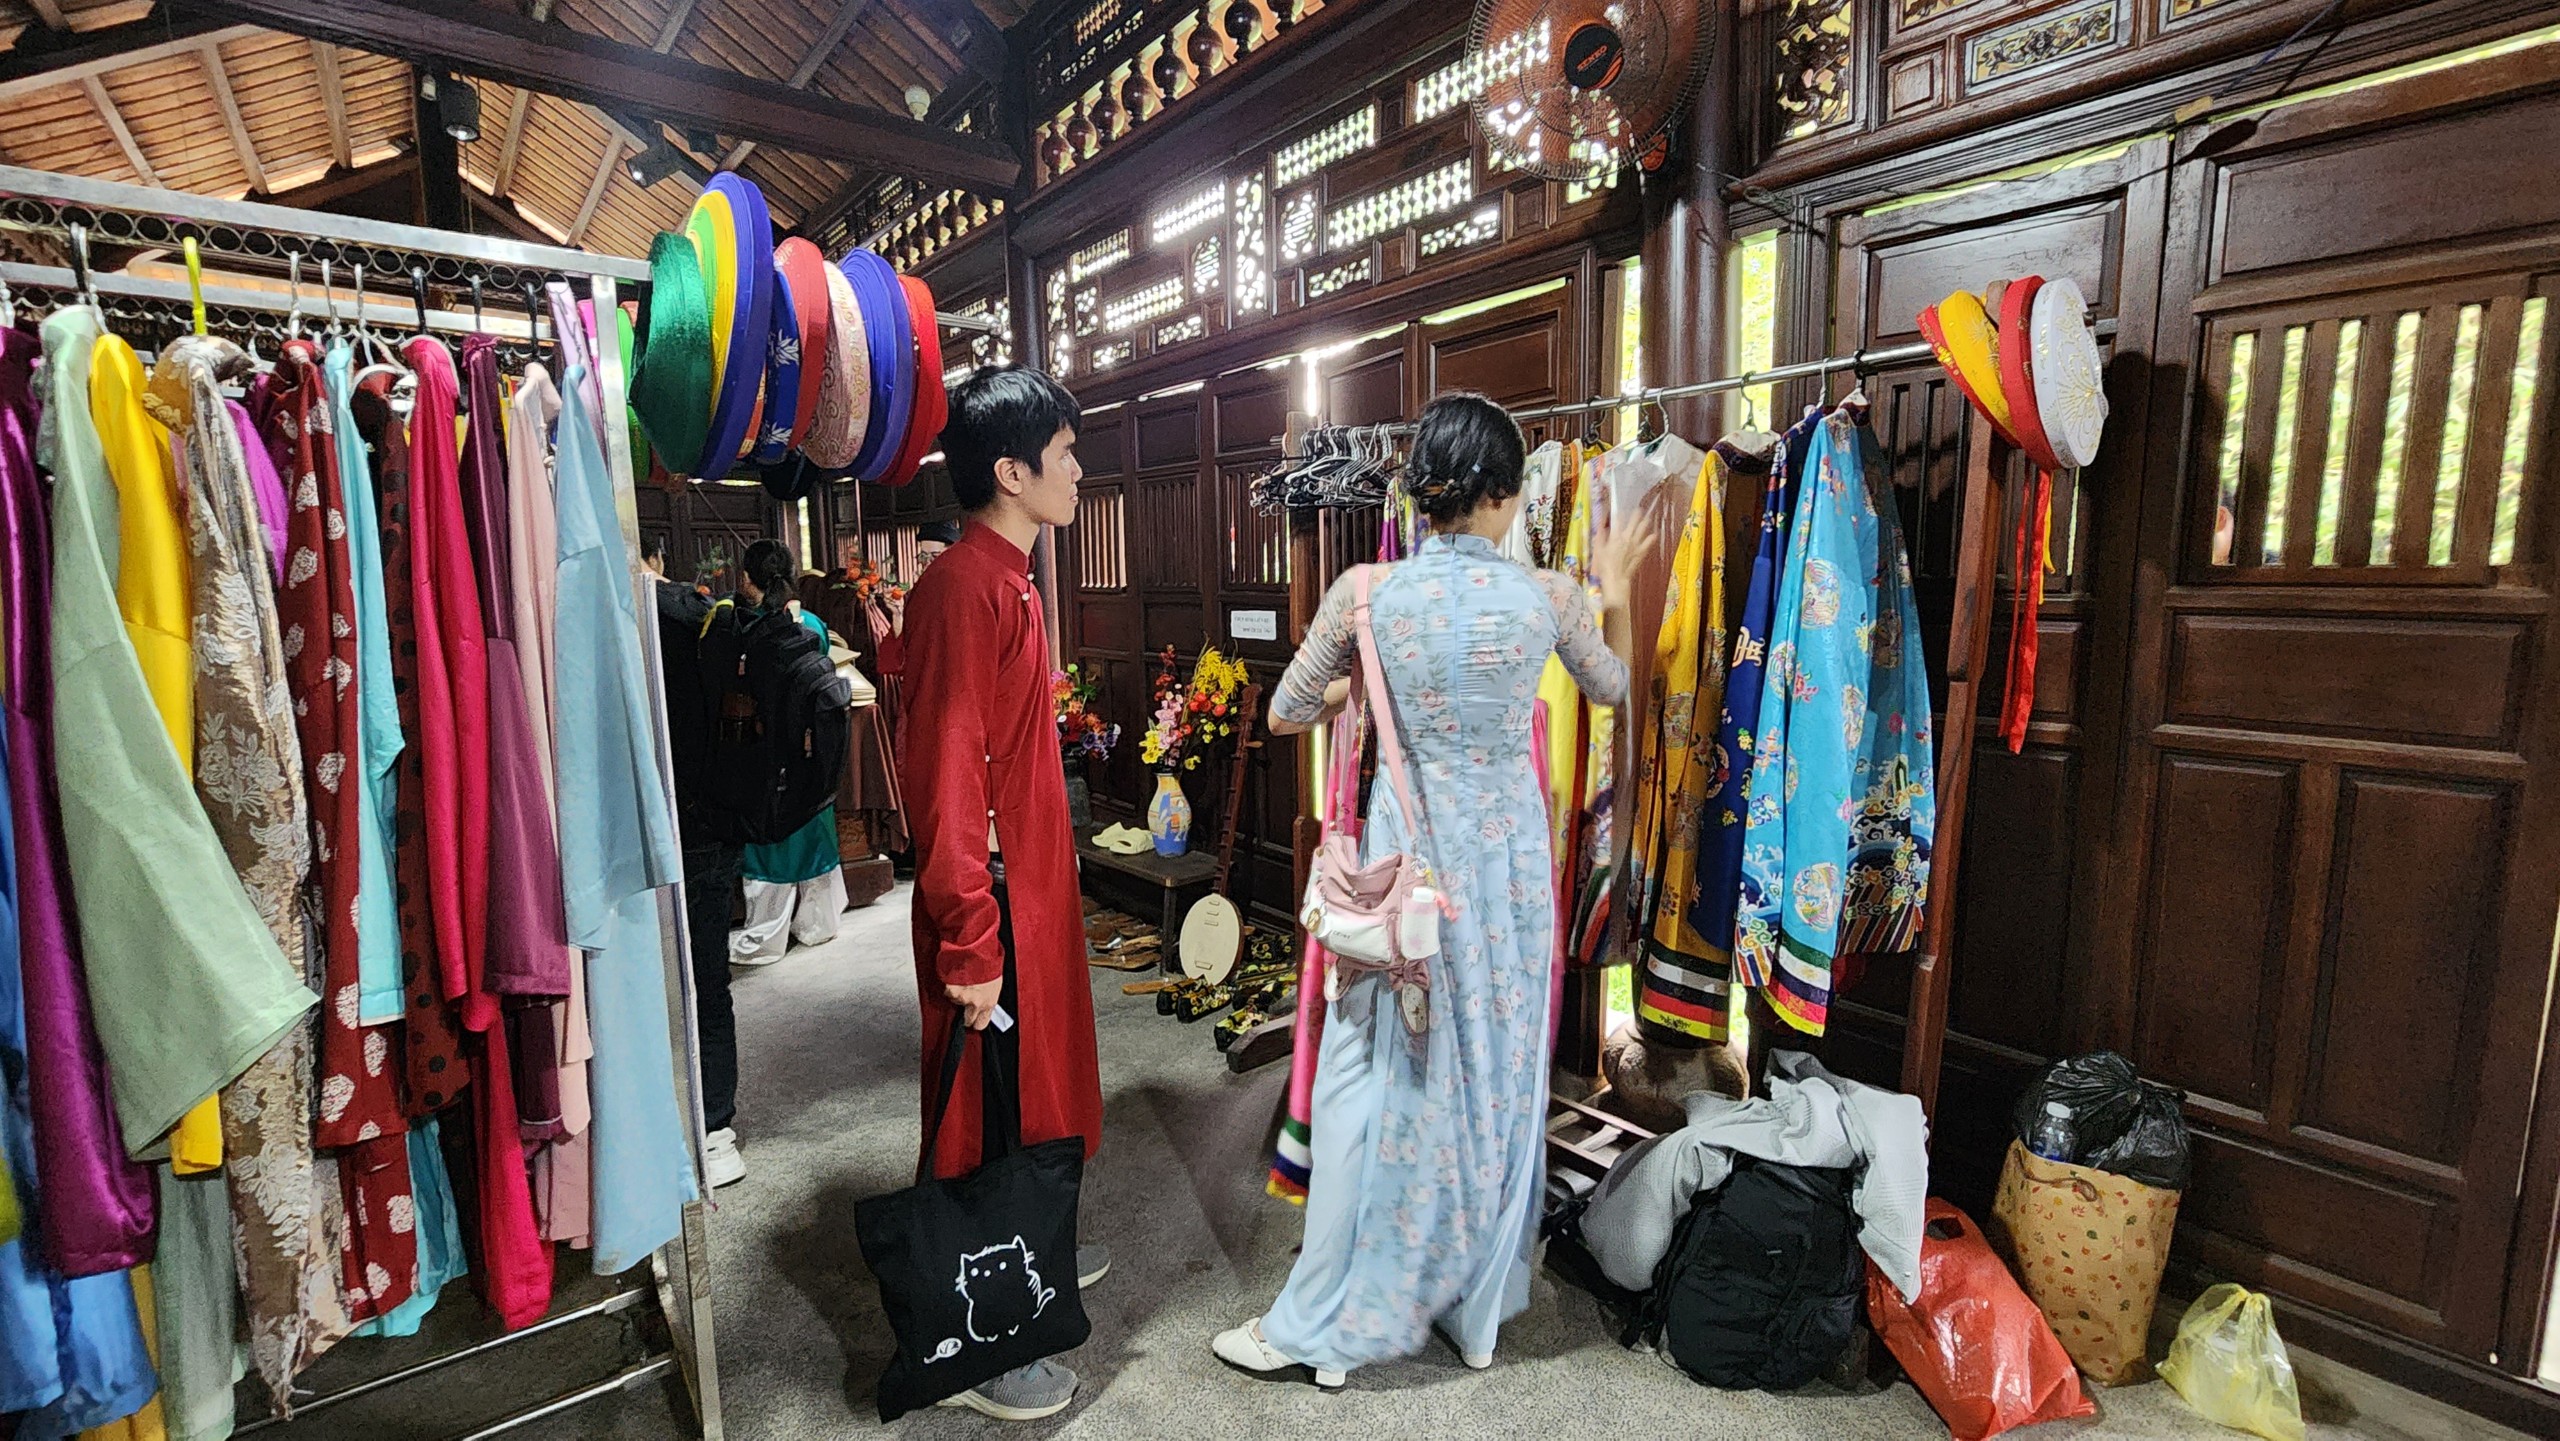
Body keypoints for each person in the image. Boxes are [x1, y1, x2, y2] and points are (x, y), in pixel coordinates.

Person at [1213, 392, 1638, 1387]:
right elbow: (1612, 686)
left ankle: (1321, 1328)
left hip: (1403, 881)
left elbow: (1285, 711)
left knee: (1368, 1079)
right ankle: (1475, 1314)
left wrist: (1363, 684)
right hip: (1507, 879)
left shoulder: (1365, 594)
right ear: (1504, 494)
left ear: (1423, 493)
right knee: (1494, 1080)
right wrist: (1611, 590)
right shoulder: (1548, 597)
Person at [900, 366, 1108, 1422]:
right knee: (982, 1109)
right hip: (988, 901)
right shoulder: (962, 589)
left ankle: (1033, 1242)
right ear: (1011, 472)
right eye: (1064, 454)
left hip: (1031, 889)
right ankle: (979, 1343)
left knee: (1036, 1090)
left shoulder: (1010, 578)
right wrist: (970, 939)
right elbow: (945, 774)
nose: (1078, 470)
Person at [646, 532, 749, 1189]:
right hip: (709, 818)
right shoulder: (704, 617)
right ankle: (714, 1127)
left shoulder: (603, 611)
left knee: (635, 983)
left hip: (632, 821)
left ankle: (651, 1127)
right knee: (707, 980)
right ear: (660, 558)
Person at [720, 542, 849, 965]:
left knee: (771, 844)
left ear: (746, 579)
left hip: (766, 756)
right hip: (812, 754)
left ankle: (765, 938)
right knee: (813, 829)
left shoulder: (745, 629)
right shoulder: (812, 624)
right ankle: (819, 925)